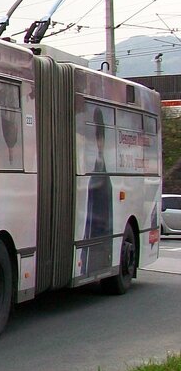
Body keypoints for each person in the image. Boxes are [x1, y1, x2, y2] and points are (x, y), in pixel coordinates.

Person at [82, 108, 113, 274]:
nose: (98, 143)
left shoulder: (104, 172)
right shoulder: (91, 171)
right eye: (95, 137)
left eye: (100, 136)